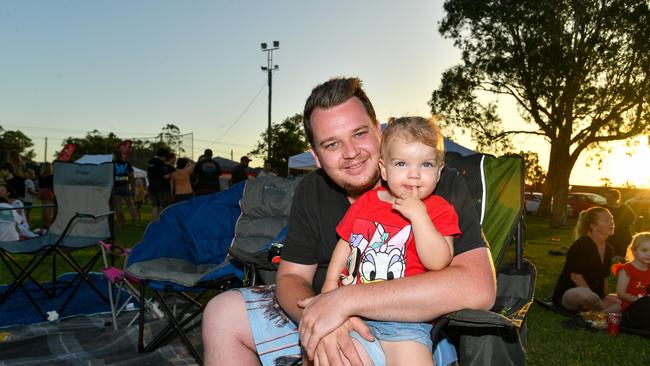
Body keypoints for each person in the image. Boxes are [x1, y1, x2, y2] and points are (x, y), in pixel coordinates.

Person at [202, 77, 496, 366]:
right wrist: (321, 319)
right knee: (221, 313)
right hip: (322, 309)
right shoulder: (312, 190)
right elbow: (291, 278)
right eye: (332, 144)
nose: (351, 153)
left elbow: (478, 287)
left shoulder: (430, 182)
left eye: (359, 134)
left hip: (411, 330)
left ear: (379, 132)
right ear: (316, 157)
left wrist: (345, 301)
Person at [322, 116, 459, 366]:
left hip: (407, 322)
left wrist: (419, 217)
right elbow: (345, 243)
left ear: (439, 171)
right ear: (384, 169)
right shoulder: (367, 202)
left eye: (426, 164)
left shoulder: (440, 210)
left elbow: (439, 262)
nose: (415, 174)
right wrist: (330, 285)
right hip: (352, 314)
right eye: (402, 163)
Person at [552, 206, 621, 313]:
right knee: (586, 296)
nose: (611, 223)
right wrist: (598, 300)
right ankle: (600, 310)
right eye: (606, 220)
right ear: (593, 225)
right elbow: (576, 277)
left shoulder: (609, 249)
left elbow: (604, 278)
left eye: (612, 220)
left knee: (622, 300)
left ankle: (597, 313)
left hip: (595, 297)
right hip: (572, 293)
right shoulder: (583, 244)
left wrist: (604, 296)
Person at [614, 232, 650, 329]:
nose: (649, 254)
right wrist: (639, 301)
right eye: (644, 250)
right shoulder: (627, 270)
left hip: (645, 304)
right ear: (634, 251)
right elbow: (621, 293)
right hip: (630, 306)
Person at [604, 189, 636, 258]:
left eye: (610, 197)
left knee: (621, 255)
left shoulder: (624, 207)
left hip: (623, 235)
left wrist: (624, 224)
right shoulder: (603, 208)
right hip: (608, 235)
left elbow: (632, 218)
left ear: (616, 198)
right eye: (607, 197)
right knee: (607, 254)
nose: (607, 199)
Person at [111, 150, 139, 226]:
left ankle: (121, 222)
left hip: (116, 186)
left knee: (118, 206)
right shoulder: (127, 164)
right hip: (126, 186)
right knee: (130, 205)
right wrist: (127, 180)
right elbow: (132, 175)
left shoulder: (112, 164)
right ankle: (136, 222)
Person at [147, 148, 171, 220]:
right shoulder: (160, 163)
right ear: (163, 156)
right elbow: (164, 176)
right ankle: (161, 221)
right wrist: (172, 174)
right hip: (161, 187)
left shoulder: (150, 161)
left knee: (154, 206)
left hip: (152, 186)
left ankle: (155, 222)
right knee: (163, 206)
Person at [37, 162, 54, 229]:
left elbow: (39, 186)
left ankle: (45, 224)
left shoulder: (41, 177)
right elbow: (52, 186)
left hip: (42, 193)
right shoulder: (51, 177)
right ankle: (48, 225)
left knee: (44, 210)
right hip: (48, 193)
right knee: (48, 211)